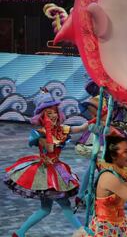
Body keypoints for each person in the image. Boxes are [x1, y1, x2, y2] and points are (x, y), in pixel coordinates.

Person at [4, 90, 89, 237]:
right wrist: (49, 130)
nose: (53, 116)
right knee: (65, 206)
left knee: (45, 209)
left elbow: (81, 128)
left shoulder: (61, 129)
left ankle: (19, 233)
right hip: (47, 173)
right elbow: (50, 148)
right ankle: (84, 232)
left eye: (54, 112)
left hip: (56, 169)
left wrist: (96, 120)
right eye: (48, 113)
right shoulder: (40, 133)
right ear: (42, 116)